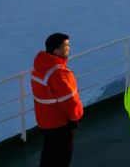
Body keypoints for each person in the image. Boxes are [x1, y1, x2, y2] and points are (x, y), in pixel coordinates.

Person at [30, 32, 84, 167]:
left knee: (49, 154)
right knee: (61, 158)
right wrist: (74, 119)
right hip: (59, 125)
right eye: (66, 46)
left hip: (44, 122)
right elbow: (69, 101)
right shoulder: (59, 73)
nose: (68, 49)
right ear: (56, 50)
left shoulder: (40, 68)